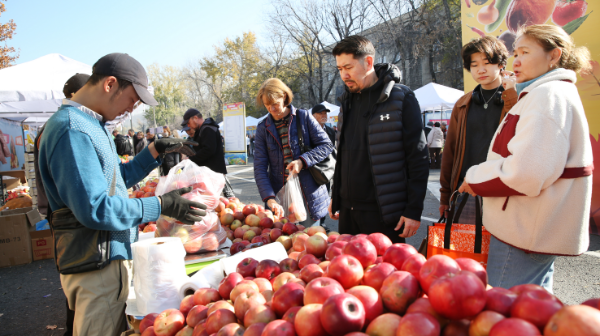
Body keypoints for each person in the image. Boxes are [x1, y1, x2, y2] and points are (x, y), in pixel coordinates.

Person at [38, 53, 203, 336]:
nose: (133, 107)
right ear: (110, 84)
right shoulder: (72, 129)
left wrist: (154, 151)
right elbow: (96, 208)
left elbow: (118, 179)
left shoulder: (92, 125)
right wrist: (160, 205)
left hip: (106, 259)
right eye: (132, 99)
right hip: (95, 264)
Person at [458, 24, 593, 292]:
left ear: (554, 55)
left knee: (506, 305)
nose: (516, 60)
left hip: (525, 227)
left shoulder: (547, 95)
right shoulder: (546, 92)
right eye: (515, 52)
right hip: (533, 223)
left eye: (525, 52)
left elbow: (527, 173)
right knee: (534, 306)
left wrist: (473, 179)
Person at [327, 35, 429, 243]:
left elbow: (418, 157)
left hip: (384, 214)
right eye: (339, 69)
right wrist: (337, 196)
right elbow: (344, 155)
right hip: (348, 212)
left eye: (348, 67)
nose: (344, 75)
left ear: (369, 62)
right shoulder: (346, 101)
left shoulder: (401, 98)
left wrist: (413, 210)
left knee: (387, 274)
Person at [35, 72, 90, 336]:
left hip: (60, 213)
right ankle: (72, 327)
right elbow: (87, 200)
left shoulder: (55, 125)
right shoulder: (67, 127)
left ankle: (73, 324)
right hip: (67, 218)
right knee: (75, 278)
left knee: (72, 281)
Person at [439, 35, 516, 223]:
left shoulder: (514, 99)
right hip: (466, 191)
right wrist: (445, 196)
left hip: (501, 191)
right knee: (467, 251)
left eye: (487, 62)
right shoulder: (463, 104)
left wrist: (511, 95)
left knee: (499, 251)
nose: (480, 70)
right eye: (474, 65)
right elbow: (450, 152)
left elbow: (518, 137)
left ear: (500, 65)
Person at [254, 78, 334, 227]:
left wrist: (302, 161)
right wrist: (269, 198)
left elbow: (326, 145)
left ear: (284, 96)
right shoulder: (262, 128)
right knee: (284, 242)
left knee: (309, 242)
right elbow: (259, 167)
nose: (272, 109)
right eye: (267, 105)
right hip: (280, 197)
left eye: (275, 104)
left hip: (309, 194)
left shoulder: (303, 117)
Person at [181, 108, 235, 198]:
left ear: (195, 118)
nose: (188, 125)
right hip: (209, 174)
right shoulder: (203, 129)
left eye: (188, 122)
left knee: (224, 200)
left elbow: (208, 150)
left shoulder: (207, 129)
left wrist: (191, 159)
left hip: (214, 173)